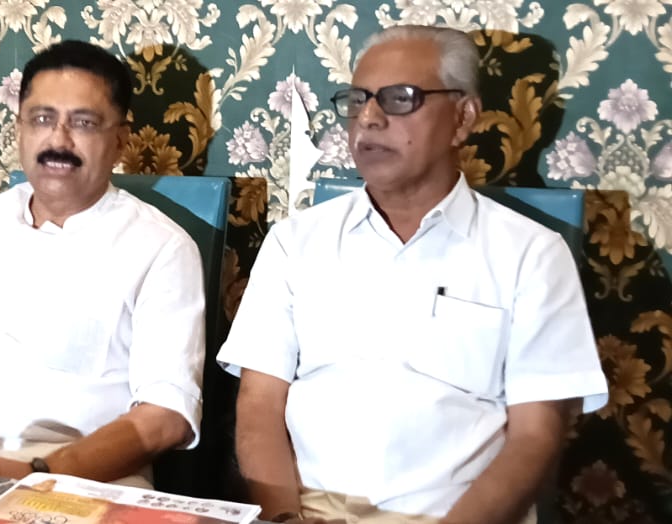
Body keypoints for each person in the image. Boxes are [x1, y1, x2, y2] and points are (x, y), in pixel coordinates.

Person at [218, 25, 607, 524]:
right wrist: (283, 519)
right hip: (310, 511)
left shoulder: (531, 254)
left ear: (463, 117)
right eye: (358, 100)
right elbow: (259, 404)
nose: (369, 119)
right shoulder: (295, 242)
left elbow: (536, 435)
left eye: (400, 99)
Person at [0, 40, 204, 488]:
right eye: (41, 119)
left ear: (120, 139)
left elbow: (166, 415)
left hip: (82, 485)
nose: (58, 140)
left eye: (84, 123)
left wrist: (36, 476)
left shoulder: (162, 248)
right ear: (19, 129)